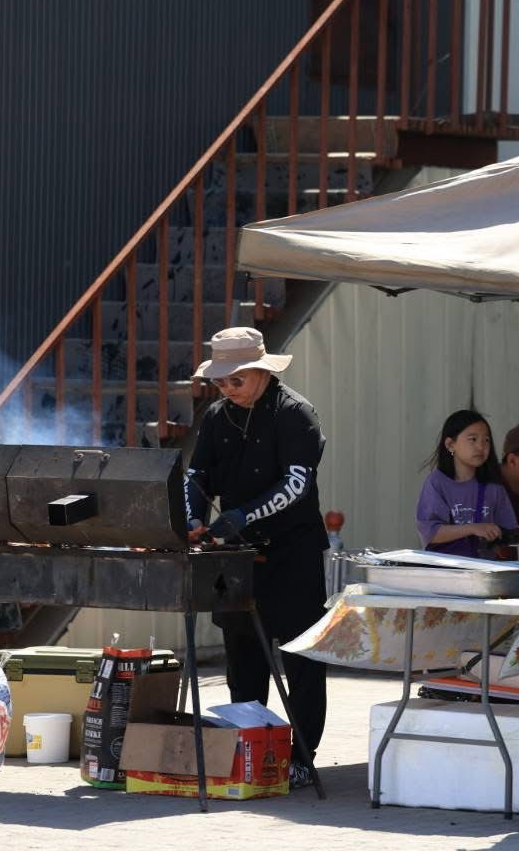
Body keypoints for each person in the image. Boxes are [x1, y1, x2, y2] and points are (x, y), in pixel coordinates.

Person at [182, 327, 328, 789]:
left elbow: (296, 483)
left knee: (301, 660)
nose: (227, 389)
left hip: (293, 553)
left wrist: (244, 514)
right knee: (242, 657)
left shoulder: (295, 414)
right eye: (220, 381)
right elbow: (195, 475)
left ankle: (302, 757)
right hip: (238, 556)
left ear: (262, 372)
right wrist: (191, 518)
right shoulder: (216, 417)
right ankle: (248, 750)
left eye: (236, 380)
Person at [415, 410, 519, 558]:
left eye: (486, 440)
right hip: (445, 569)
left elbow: (509, 532)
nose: (481, 446)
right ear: (450, 445)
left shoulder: (494, 487)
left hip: (485, 568)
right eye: (473, 439)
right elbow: (430, 533)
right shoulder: (437, 482)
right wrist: (473, 528)